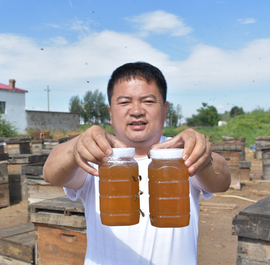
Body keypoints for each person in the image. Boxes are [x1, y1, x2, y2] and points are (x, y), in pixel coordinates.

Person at [43, 62, 231, 265]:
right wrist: (76, 147)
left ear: (165, 108)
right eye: (124, 102)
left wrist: (203, 155)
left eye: (148, 101)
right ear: (110, 111)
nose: (136, 111)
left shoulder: (181, 155)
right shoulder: (95, 156)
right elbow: (51, 172)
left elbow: (222, 180)